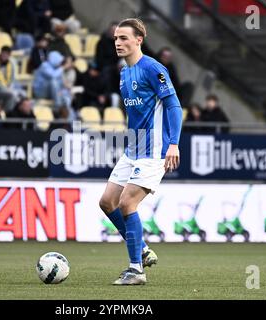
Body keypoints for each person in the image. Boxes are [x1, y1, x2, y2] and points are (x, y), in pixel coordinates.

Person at [99, 18, 183, 285]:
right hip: (132, 150)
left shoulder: (153, 68)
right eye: (115, 39)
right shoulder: (124, 73)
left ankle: (136, 269)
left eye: (124, 38)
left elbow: (174, 107)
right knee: (107, 202)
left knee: (127, 203)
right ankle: (142, 249)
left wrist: (174, 143)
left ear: (139, 40)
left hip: (154, 151)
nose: (118, 43)